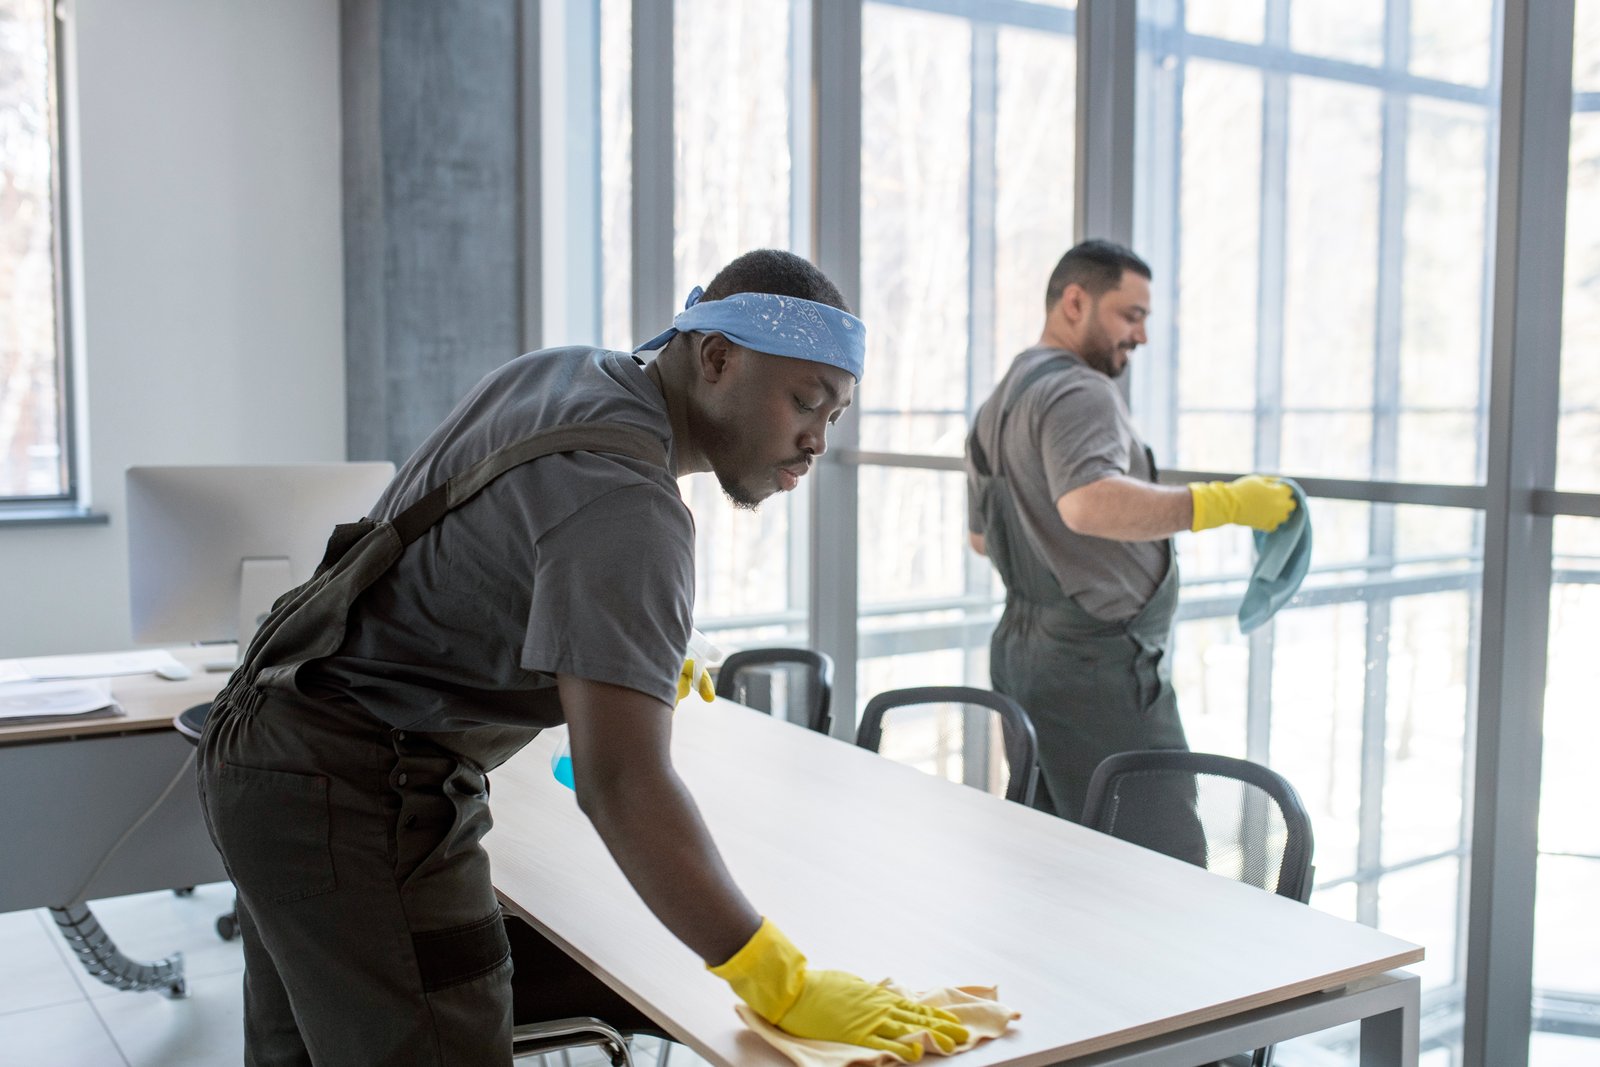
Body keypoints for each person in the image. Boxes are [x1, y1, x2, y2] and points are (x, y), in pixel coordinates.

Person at [197, 248, 966, 1065]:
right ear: (716, 358)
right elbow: (622, 785)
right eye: (804, 400)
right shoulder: (630, 506)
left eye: (835, 414)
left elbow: (468, 555)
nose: (816, 438)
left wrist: (613, 635)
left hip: (271, 742)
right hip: (356, 793)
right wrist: (782, 980)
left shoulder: (565, 373)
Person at [964, 239, 1294, 850]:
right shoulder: (1079, 391)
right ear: (1074, 301)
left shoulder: (998, 402)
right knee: (1162, 861)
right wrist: (1223, 503)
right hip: (1096, 671)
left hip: (1025, 655)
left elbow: (983, 540)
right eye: (1130, 314)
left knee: (1057, 850)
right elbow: (1087, 502)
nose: (1140, 335)